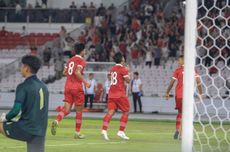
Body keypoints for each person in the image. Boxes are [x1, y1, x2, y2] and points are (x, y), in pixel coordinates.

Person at [0, 55, 49, 152]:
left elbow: (15, 111)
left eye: (22, 66)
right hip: (41, 129)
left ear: (26, 68)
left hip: (26, 128)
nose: (21, 68)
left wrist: (5, 118)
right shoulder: (44, 87)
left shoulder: (23, 86)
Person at [51, 43, 90, 139]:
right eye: (84, 50)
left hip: (67, 86)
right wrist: (85, 82)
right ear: (81, 51)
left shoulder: (69, 61)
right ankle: (77, 133)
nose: (85, 52)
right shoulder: (82, 61)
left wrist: (71, 75)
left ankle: (56, 121)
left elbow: (64, 72)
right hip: (77, 87)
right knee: (79, 111)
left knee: (66, 110)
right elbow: (77, 72)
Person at [165, 55, 203, 140]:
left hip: (178, 95)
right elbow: (198, 81)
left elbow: (171, 83)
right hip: (187, 96)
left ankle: (178, 129)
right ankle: (182, 135)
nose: (178, 62)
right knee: (185, 115)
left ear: (184, 61)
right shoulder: (192, 70)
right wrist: (201, 93)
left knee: (180, 113)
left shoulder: (178, 70)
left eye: (179, 60)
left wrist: (167, 92)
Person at [101, 52, 131, 140]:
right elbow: (128, 80)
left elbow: (111, 78)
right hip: (119, 93)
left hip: (111, 94)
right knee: (126, 111)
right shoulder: (123, 69)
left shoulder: (112, 68)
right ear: (122, 59)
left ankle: (104, 129)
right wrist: (128, 72)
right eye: (123, 57)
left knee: (111, 112)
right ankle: (121, 131)